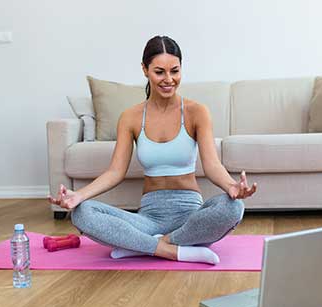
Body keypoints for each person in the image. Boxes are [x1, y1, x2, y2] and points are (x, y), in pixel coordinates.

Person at [48, 35, 257, 265]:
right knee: (82, 212)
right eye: (159, 72)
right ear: (145, 69)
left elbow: (212, 166)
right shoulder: (131, 117)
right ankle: (172, 250)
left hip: (190, 218)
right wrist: (78, 196)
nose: (169, 79)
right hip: (148, 218)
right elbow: (115, 172)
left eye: (175, 71)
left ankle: (142, 245)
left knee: (234, 207)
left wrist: (231, 186)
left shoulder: (197, 112)